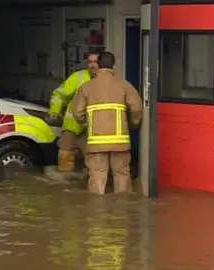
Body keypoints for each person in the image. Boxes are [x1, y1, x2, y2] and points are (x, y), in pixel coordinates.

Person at [72, 52, 143, 195]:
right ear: (114, 67)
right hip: (120, 142)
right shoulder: (124, 85)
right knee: (122, 175)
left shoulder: (86, 87)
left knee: (97, 177)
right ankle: (122, 211)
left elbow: (77, 113)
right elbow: (137, 108)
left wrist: (90, 122)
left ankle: (97, 212)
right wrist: (133, 124)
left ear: (98, 66)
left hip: (96, 142)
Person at [47, 52, 99, 172]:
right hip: (72, 126)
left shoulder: (105, 81)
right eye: (89, 62)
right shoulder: (78, 77)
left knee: (93, 164)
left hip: (92, 130)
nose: (92, 65)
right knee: (64, 158)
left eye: (95, 62)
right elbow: (59, 94)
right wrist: (54, 110)